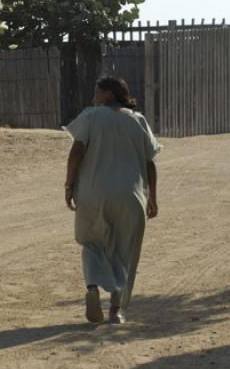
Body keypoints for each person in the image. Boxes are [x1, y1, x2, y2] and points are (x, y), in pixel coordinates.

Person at [64, 76, 160, 324]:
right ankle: (116, 309)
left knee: (92, 243)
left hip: (94, 194)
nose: (93, 97)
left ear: (108, 94)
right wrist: (153, 198)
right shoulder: (138, 121)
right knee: (125, 250)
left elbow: (77, 151)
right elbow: (150, 162)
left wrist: (69, 184)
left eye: (97, 92)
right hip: (131, 196)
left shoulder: (91, 116)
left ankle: (93, 288)